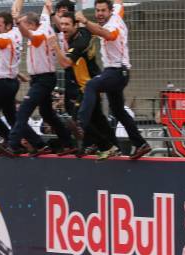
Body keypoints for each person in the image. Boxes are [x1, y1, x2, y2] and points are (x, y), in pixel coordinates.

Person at [0, 0, 76, 157]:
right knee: (47, 113)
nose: (22, 29)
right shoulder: (43, 23)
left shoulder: (40, 34)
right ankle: (67, 143)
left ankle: (13, 145)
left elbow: (28, 34)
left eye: (25, 25)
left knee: (23, 111)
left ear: (32, 24)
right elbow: (44, 13)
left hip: (44, 79)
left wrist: (19, 22)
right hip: (40, 79)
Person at [75, 0, 151, 159]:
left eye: (103, 10)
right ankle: (141, 144)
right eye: (97, 10)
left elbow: (108, 34)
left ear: (109, 11)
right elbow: (118, 3)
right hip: (117, 72)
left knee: (91, 85)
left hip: (116, 72)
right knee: (118, 111)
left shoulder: (113, 25)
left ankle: (80, 124)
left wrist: (85, 21)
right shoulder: (116, 12)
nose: (100, 14)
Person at [50, 11, 120, 159]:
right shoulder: (83, 32)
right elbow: (62, 27)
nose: (63, 28)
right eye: (61, 24)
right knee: (98, 119)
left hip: (88, 86)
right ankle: (111, 147)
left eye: (67, 24)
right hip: (90, 84)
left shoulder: (78, 43)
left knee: (78, 121)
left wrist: (55, 47)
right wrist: (52, 12)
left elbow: (64, 63)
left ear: (76, 25)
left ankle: (106, 146)